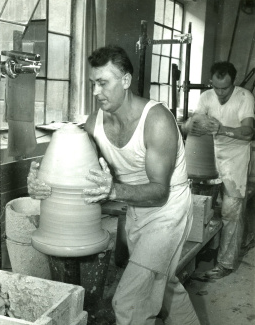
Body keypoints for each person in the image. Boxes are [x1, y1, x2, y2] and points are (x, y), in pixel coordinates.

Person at [28, 45, 200, 325]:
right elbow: (78, 173)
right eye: (93, 83)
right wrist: (41, 186)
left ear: (126, 81)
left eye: (103, 83)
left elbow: (159, 192)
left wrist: (113, 191)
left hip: (168, 211)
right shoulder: (95, 123)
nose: (95, 92)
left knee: (129, 301)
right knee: (162, 283)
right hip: (134, 208)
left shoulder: (156, 121)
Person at [182, 61, 255, 279]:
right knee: (203, 204)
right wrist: (189, 125)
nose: (220, 93)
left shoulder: (244, 98)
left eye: (225, 88)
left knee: (231, 210)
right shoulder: (206, 97)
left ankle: (225, 263)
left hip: (235, 157)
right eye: (216, 87)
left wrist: (222, 129)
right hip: (210, 155)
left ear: (233, 82)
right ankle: (215, 246)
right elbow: (191, 124)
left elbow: (249, 132)